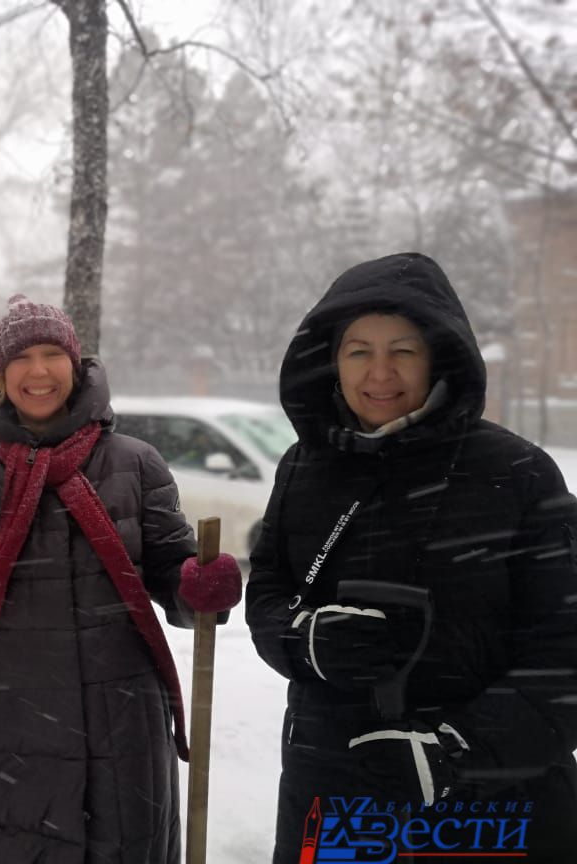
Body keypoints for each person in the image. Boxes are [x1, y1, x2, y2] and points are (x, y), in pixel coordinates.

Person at [0, 294, 241, 863]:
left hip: (122, 727)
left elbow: (173, 578)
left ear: (76, 363)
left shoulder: (136, 465)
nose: (38, 372)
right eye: (20, 359)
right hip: (8, 732)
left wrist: (198, 587)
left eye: (50, 354)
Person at [246, 252, 577, 863]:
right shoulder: (304, 466)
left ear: (437, 357)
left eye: (402, 350)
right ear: (331, 361)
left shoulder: (517, 473)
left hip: (489, 812)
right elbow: (268, 594)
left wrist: (454, 752)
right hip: (334, 793)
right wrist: (304, 640)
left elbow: (564, 656)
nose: (380, 373)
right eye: (358, 351)